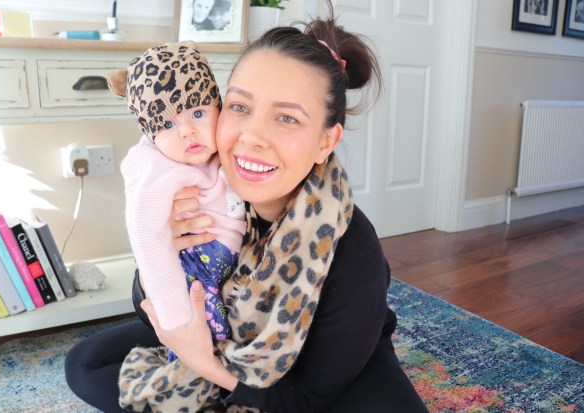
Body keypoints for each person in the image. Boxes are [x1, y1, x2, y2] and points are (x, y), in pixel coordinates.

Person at [65, 5, 429, 412]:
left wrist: (203, 362)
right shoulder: (205, 190)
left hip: (317, 379)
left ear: (326, 142)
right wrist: (165, 250)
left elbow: (305, 398)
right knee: (85, 364)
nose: (252, 137)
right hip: (229, 334)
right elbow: (150, 300)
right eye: (240, 107)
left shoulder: (352, 251)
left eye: (287, 118)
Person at [107, 41, 246, 362]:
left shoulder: (231, 145)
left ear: (219, 107)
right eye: (168, 124)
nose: (187, 131)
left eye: (198, 113)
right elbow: (147, 236)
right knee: (202, 341)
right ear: (151, 134)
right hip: (194, 267)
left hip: (235, 269)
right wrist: (175, 320)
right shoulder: (153, 165)